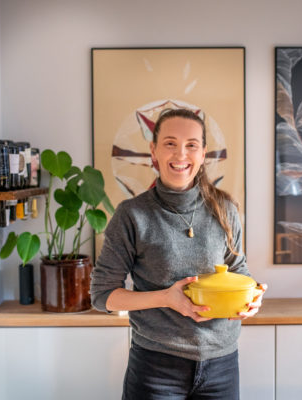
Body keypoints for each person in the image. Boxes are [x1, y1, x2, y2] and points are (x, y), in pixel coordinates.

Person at [90, 108, 267, 399]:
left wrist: (252, 296)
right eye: (170, 143)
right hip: (156, 368)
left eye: (191, 145)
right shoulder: (132, 215)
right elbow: (102, 295)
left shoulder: (225, 209)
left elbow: (238, 270)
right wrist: (166, 298)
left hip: (222, 365)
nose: (181, 154)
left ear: (203, 153)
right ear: (154, 151)